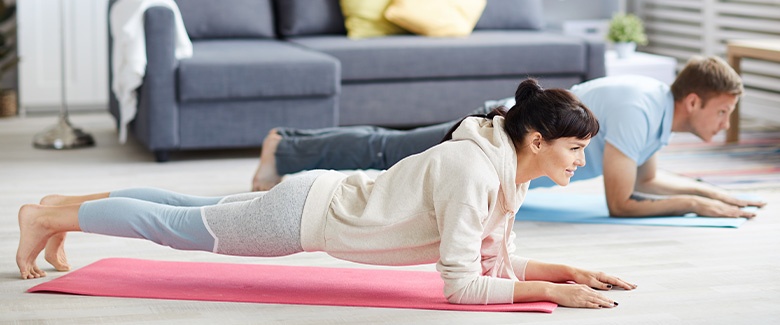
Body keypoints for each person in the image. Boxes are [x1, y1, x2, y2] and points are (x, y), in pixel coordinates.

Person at [18, 79, 636, 309]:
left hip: (319, 195)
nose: (582, 162)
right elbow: (462, 286)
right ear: (534, 139)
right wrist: (552, 291)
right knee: (178, 228)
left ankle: (51, 211)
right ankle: (53, 217)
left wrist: (569, 270)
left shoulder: (500, 165)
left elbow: (492, 258)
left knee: (183, 210)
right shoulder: (477, 173)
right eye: (575, 149)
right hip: (303, 218)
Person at [252, 56, 765, 218]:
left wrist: (714, 193)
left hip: (505, 138)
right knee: (389, 151)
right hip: (492, 134)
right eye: (722, 112)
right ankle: (286, 147)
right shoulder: (639, 108)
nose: (724, 125)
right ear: (693, 101)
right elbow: (622, 200)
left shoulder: (656, 113)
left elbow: (649, 178)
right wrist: (695, 207)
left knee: (390, 149)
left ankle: (290, 143)